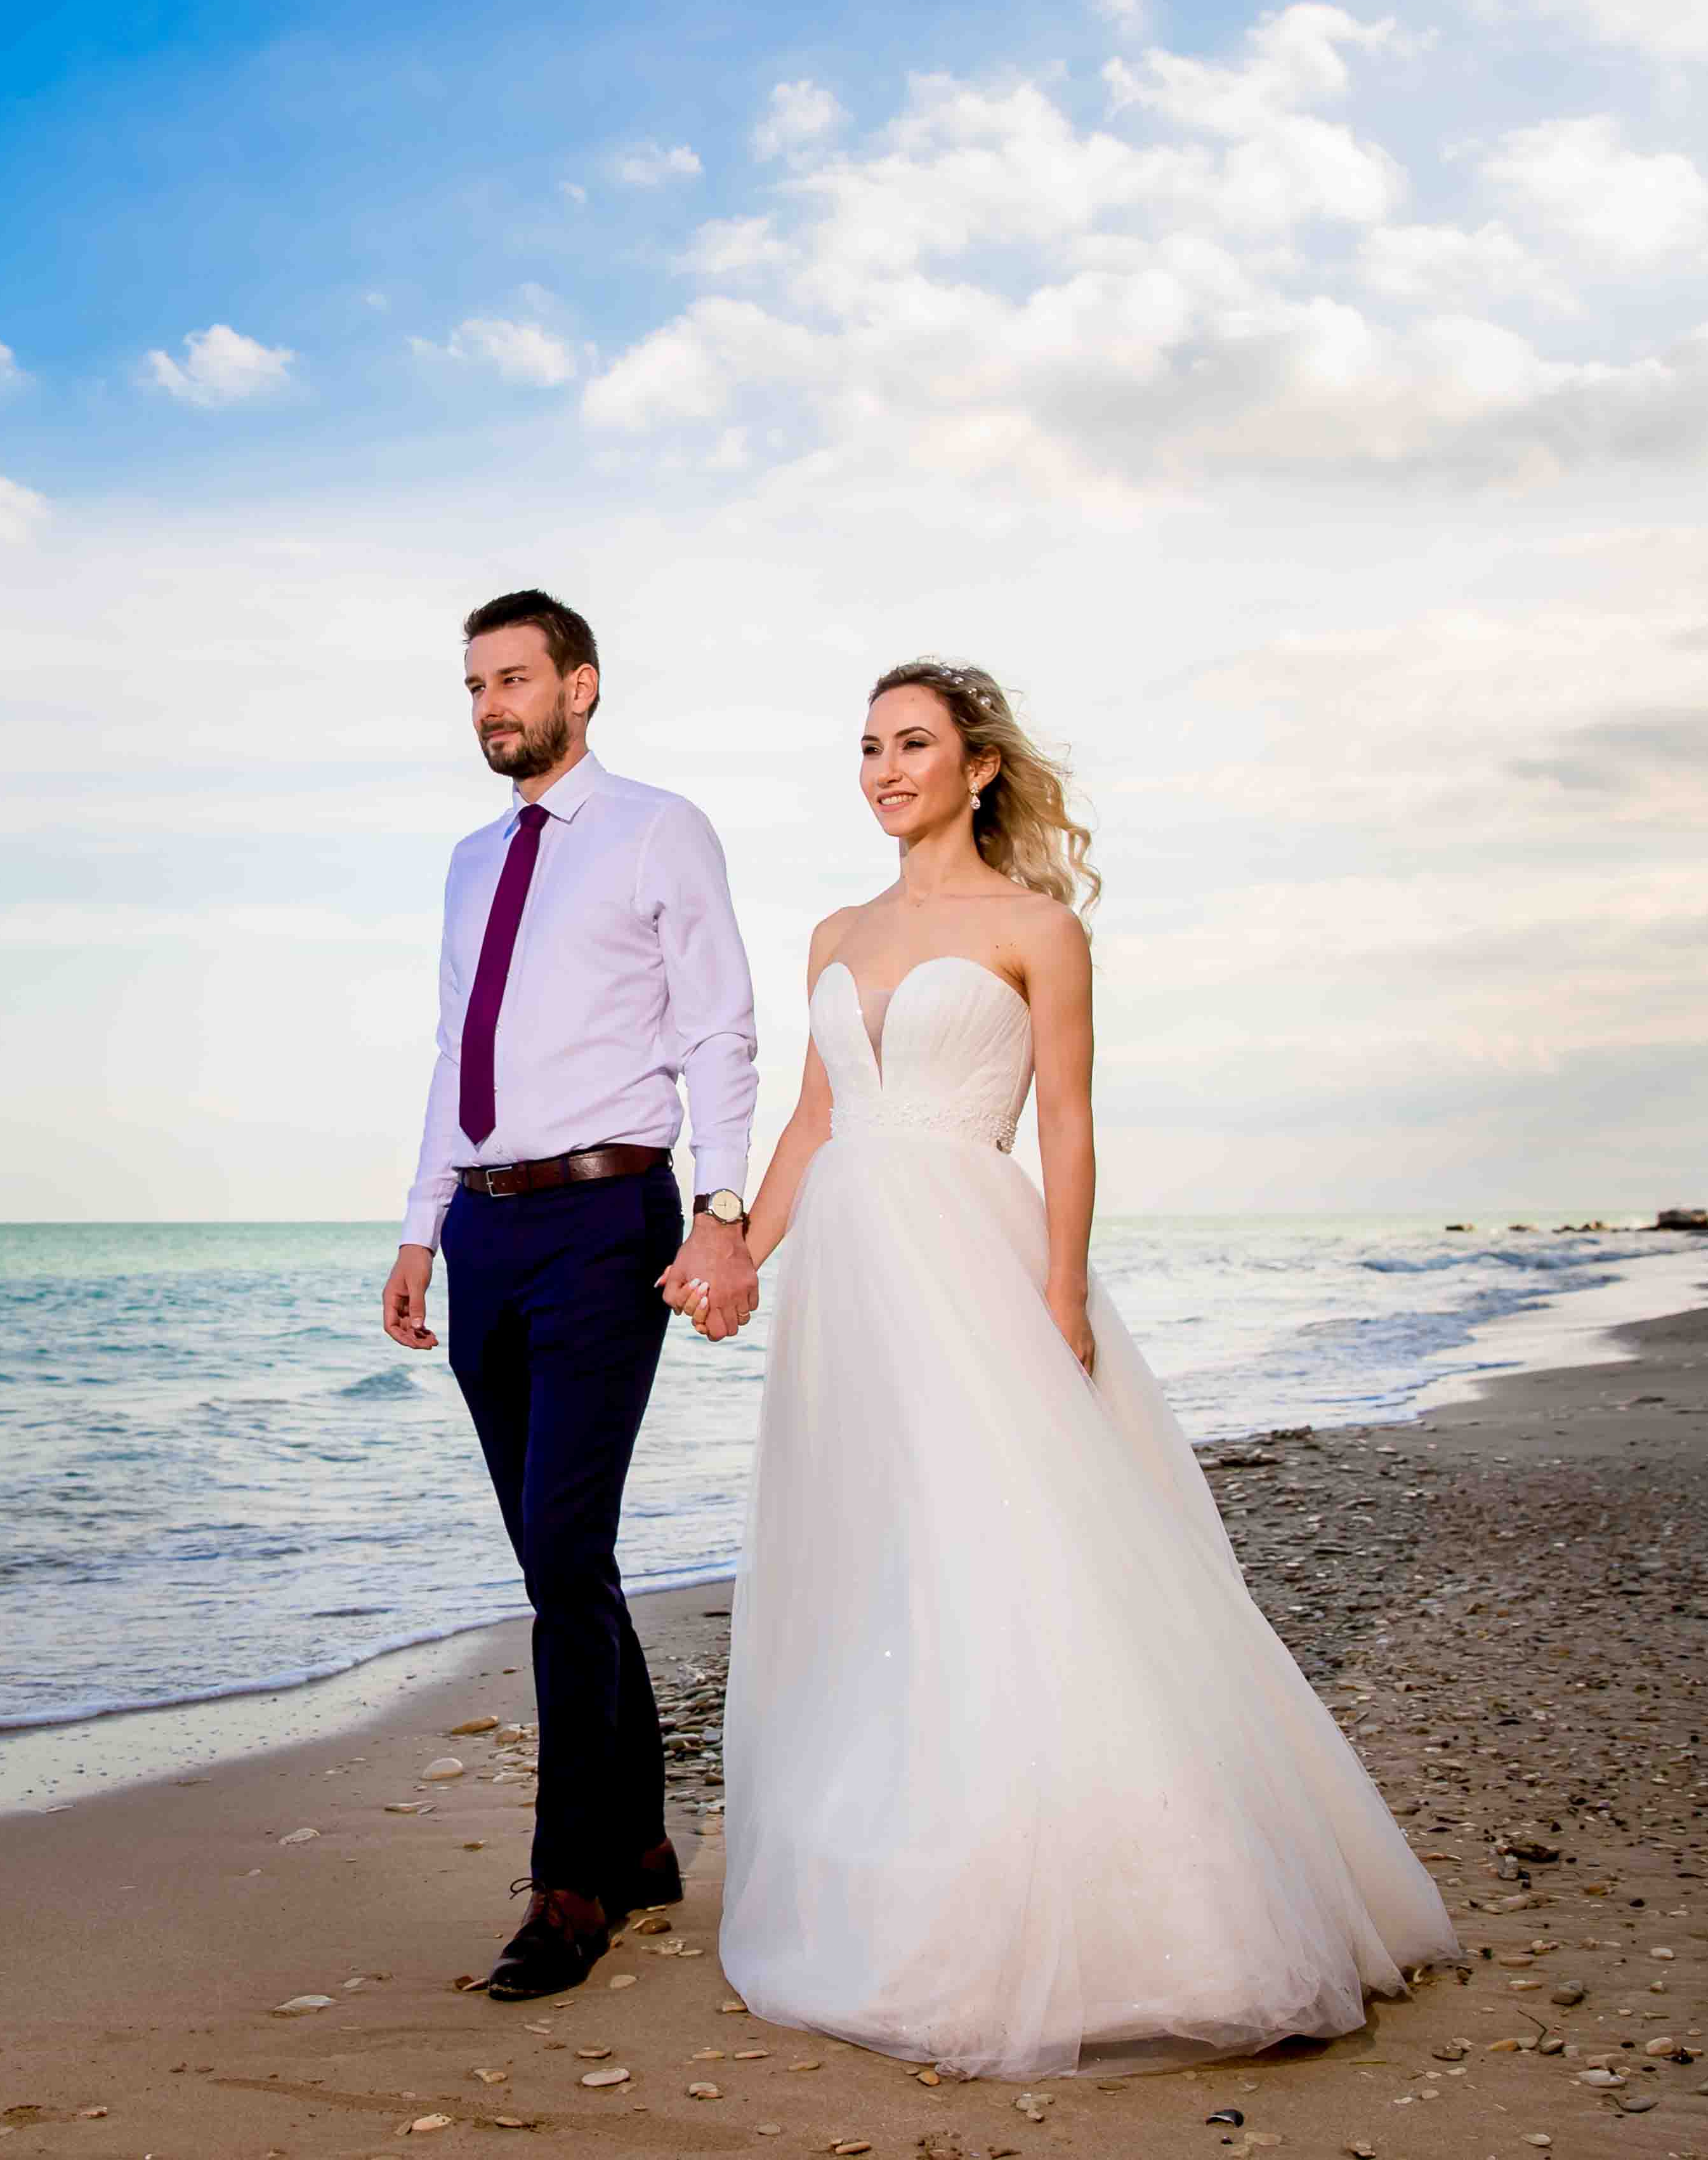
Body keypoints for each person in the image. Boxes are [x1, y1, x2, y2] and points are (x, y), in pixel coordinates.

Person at [701, 659, 1456, 2078]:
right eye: (867, 747)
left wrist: (1060, 1295)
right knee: (880, 1561)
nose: (883, 769)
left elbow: (1067, 1124)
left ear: (978, 766)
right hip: (849, 1288)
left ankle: (1119, 1902)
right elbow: (813, 1120)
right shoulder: (831, 931)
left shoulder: (1039, 929)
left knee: (1011, 1548)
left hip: (970, 1262)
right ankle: (903, 1859)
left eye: (912, 743)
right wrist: (742, 1243)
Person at [380, 588, 761, 2001]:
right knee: (562, 1561)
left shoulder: (661, 830)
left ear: (581, 688)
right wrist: (420, 1230)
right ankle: (649, 1838)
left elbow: (722, 1027)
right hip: (483, 1233)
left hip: (609, 1212)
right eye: (475, 684)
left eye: (516, 679)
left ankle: (572, 1883)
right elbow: (448, 1051)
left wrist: (722, 1211)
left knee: (560, 1536)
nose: (492, 705)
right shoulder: (470, 862)